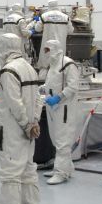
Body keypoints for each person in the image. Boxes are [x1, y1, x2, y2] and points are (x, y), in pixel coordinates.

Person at [0, 34, 42, 204]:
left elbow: (14, 103)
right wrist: (34, 122)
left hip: (12, 129)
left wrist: (26, 124)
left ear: (5, 47)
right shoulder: (29, 68)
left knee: (10, 170)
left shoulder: (9, 70)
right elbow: (37, 98)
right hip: (28, 128)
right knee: (27, 167)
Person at [41, 39, 79, 185]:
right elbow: (52, 83)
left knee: (63, 140)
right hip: (53, 108)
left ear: (55, 49)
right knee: (56, 138)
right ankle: (65, 167)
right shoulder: (52, 65)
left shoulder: (68, 64)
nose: (46, 53)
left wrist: (59, 97)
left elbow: (73, 86)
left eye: (47, 50)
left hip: (64, 108)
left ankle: (61, 173)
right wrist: (43, 90)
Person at [32, 0, 74, 70]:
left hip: (48, 47)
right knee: (60, 65)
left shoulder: (44, 16)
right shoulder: (65, 17)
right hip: (60, 46)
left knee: (46, 66)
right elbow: (71, 30)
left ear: (49, 5)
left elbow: (37, 29)